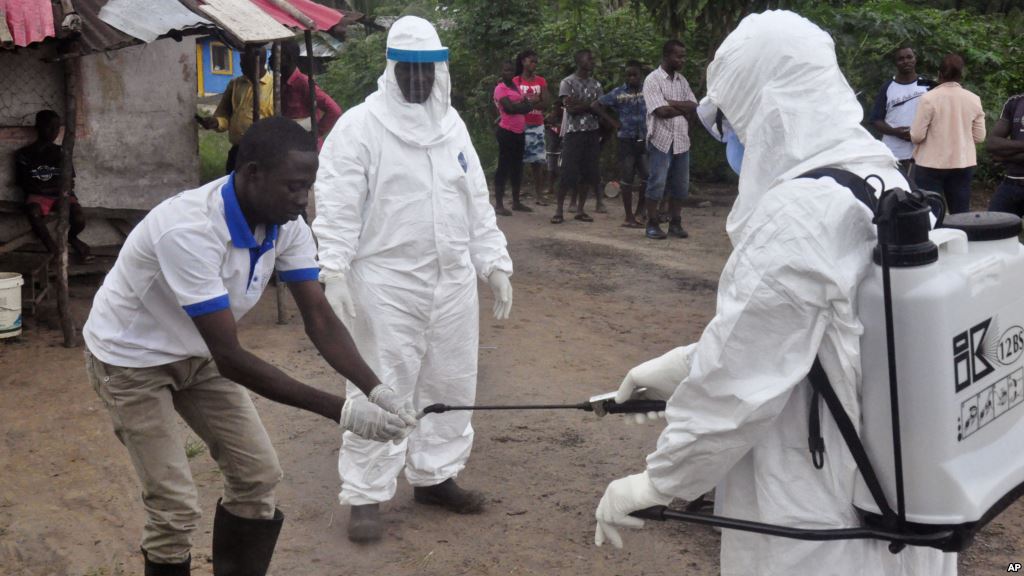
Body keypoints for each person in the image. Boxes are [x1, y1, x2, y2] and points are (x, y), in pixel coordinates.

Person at [592, 11, 956, 576]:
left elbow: (739, 382)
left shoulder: (797, 213)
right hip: (893, 495)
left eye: (734, 120)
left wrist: (660, 480)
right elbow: (817, 331)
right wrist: (682, 366)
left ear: (766, 108)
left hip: (817, 512)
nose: (734, 138)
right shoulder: (880, 176)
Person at [82, 117, 413, 576]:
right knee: (174, 506)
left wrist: (376, 390)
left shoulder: (285, 223)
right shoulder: (189, 229)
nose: (303, 200)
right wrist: (344, 412)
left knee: (257, 478)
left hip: (197, 354)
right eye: (294, 186)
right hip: (132, 361)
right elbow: (232, 358)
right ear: (252, 173)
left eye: (309, 187)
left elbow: (318, 316)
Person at [313, 16, 514, 544]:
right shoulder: (359, 127)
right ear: (392, 69)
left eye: (430, 70)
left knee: (451, 382)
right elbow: (336, 205)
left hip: (451, 283)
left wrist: (493, 263)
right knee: (381, 382)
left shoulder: (453, 126)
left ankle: (436, 475)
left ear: (440, 70)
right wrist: (332, 270)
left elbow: (475, 202)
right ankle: (365, 493)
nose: (420, 81)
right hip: (385, 283)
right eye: (411, 71)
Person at [910, 53, 985, 214]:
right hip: (962, 163)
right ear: (961, 74)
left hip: (930, 165)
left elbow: (916, 135)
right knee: (961, 214)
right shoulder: (974, 99)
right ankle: (960, 238)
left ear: (940, 74)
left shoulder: (928, 99)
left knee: (931, 214)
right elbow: (980, 137)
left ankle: (937, 239)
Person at [14, 109, 91, 262]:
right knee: (33, 212)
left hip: (60, 194)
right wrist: (54, 187)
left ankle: (73, 239)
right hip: (40, 196)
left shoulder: (62, 152)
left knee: (79, 218)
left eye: (57, 128)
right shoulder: (24, 154)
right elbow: (25, 184)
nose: (54, 131)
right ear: (38, 127)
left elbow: (70, 182)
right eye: (49, 127)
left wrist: (48, 187)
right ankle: (53, 249)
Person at [643, 39, 697, 240]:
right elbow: (661, 111)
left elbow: (694, 106)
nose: (682, 60)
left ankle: (675, 223)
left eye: (683, 56)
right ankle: (652, 223)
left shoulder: (682, 81)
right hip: (661, 139)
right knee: (657, 182)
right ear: (666, 56)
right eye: (679, 56)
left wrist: (670, 102)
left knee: (681, 185)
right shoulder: (652, 80)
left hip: (682, 140)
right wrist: (679, 107)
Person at [552, 49, 612, 224]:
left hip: (592, 132)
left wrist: (584, 105)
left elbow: (601, 108)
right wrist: (591, 106)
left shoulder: (597, 84)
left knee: (589, 171)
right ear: (579, 60)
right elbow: (570, 108)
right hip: (574, 132)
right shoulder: (567, 82)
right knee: (567, 172)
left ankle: (580, 209)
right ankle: (559, 210)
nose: (592, 61)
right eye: (589, 58)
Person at [196, 45, 274, 174]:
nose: (241, 65)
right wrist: (216, 122)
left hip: (263, 152)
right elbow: (225, 113)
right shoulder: (236, 84)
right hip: (238, 151)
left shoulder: (274, 87)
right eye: (241, 61)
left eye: (245, 62)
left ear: (259, 62)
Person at [597, 60, 648, 228]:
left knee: (646, 177)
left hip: (645, 138)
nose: (631, 78)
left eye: (635, 74)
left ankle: (641, 211)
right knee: (627, 178)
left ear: (640, 75)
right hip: (626, 139)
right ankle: (628, 216)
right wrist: (613, 122)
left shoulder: (648, 90)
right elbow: (596, 105)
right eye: (628, 75)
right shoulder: (618, 93)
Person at [869, 47, 935, 177]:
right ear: (895, 63)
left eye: (909, 57)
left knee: (919, 194)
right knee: (894, 192)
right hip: (893, 152)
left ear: (915, 59)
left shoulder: (928, 85)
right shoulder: (887, 87)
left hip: (922, 152)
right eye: (901, 59)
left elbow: (939, 116)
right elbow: (876, 120)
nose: (906, 61)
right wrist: (895, 132)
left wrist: (921, 133)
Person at [279, 39, 343, 151]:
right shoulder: (279, 83)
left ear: (288, 58)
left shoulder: (303, 83)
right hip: (288, 145)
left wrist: (316, 133)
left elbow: (334, 110)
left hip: (305, 148)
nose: (270, 59)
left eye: (276, 55)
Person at [493, 60, 535, 215]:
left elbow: (528, 106)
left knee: (517, 167)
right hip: (506, 131)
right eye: (506, 70)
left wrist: (521, 106)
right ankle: (499, 204)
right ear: (501, 72)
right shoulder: (500, 88)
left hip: (519, 131)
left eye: (511, 70)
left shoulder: (515, 87)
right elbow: (509, 109)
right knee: (504, 167)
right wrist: (522, 107)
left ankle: (516, 202)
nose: (509, 73)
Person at [514, 50, 551, 206]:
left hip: (536, 124)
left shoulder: (541, 81)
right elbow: (512, 104)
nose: (534, 64)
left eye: (536, 61)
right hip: (518, 124)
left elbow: (546, 103)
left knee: (538, 161)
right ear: (523, 61)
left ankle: (539, 195)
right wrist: (534, 100)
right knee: (517, 161)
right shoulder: (515, 81)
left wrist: (527, 102)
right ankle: (516, 195)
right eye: (531, 61)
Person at [986, 93, 1024, 216]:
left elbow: (998, 148)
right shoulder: (1014, 102)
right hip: (1011, 183)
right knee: (991, 228)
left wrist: (1004, 157)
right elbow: (992, 143)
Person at [544, 100, 564, 202]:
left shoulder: (566, 118)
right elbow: (544, 125)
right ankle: (550, 187)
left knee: (561, 167)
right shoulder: (549, 117)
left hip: (562, 146)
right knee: (551, 167)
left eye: (555, 108)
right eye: (553, 108)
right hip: (552, 146)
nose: (554, 110)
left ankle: (560, 188)